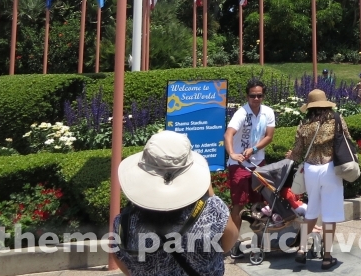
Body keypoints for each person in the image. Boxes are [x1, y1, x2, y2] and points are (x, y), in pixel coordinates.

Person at [115, 130, 240, 276]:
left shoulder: (125, 222)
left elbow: (120, 259)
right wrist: (209, 192)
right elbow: (227, 244)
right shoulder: (213, 212)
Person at [285, 89, 347, 268]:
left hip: (310, 169)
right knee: (329, 215)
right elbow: (347, 141)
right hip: (330, 169)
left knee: (312, 210)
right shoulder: (336, 120)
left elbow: (297, 152)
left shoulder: (304, 124)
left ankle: (302, 249)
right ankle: (327, 257)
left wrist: (290, 155)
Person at [224, 78, 276, 231]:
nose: (256, 99)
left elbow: (269, 136)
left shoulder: (268, 112)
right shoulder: (241, 113)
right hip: (239, 164)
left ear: (263, 96)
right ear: (247, 96)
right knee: (239, 204)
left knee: (258, 204)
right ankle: (233, 242)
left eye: (259, 96)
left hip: (257, 163)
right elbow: (228, 134)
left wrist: (254, 149)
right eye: (253, 95)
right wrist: (232, 153)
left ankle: (258, 238)